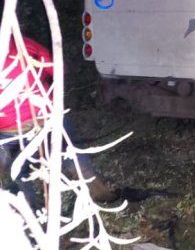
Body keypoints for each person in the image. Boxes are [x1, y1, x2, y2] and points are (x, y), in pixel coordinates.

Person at [0, 36, 114, 204]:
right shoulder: (22, 42)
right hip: (46, 115)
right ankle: (103, 196)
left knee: (17, 172)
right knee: (72, 153)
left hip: (8, 129)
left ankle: (30, 215)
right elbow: (58, 69)